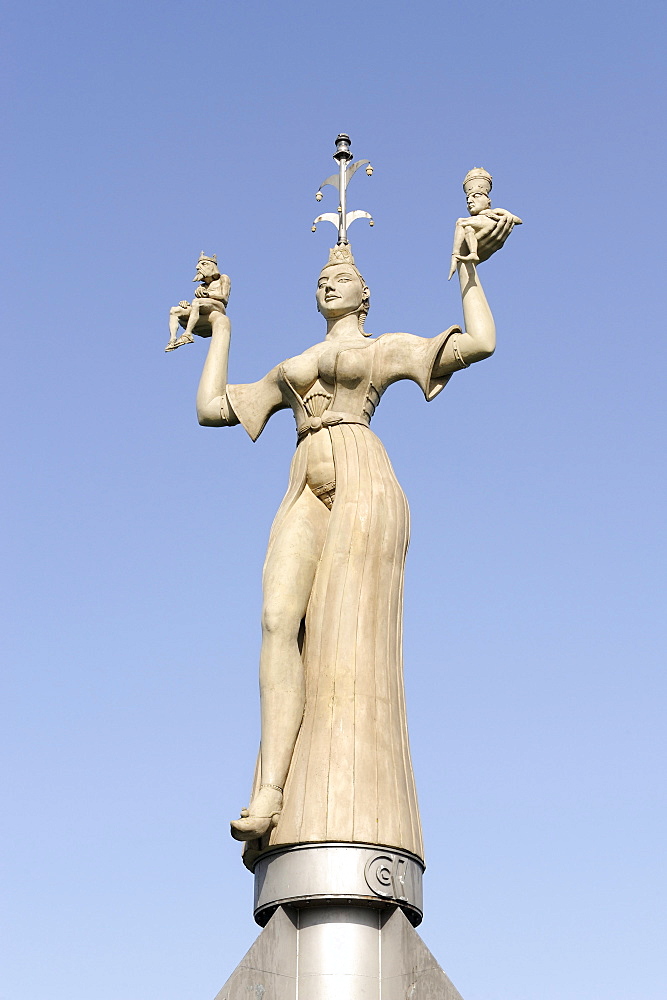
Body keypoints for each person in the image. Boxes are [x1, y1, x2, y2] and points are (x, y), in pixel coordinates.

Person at [193, 215, 515, 854]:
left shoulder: (381, 348)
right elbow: (211, 409)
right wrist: (219, 329)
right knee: (276, 621)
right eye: (322, 277)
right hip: (302, 482)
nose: (329, 282)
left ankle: (326, 793)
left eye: (343, 277)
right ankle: (270, 790)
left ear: (364, 295)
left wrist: (470, 268)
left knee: (346, 632)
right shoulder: (292, 365)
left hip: (360, 475)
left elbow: (480, 343)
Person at [448, 167, 522, 280]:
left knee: (461, 222)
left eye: (476, 196)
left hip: (489, 223)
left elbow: (517, 220)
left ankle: (455, 256)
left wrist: (496, 216)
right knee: (468, 229)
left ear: (488, 200)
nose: (469, 201)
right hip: (477, 229)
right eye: (467, 198)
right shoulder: (471, 222)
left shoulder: (494, 211)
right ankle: (472, 253)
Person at [165, 253, 231, 351]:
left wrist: (209, 295)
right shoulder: (202, 286)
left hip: (218, 306)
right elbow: (198, 305)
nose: (198, 268)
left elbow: (224, 298)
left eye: (203, 264)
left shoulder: (223, 278)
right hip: (202, 307)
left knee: (197, 302)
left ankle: (188, 334)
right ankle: (172, 340)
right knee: (175, 310)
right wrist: (186, 305)